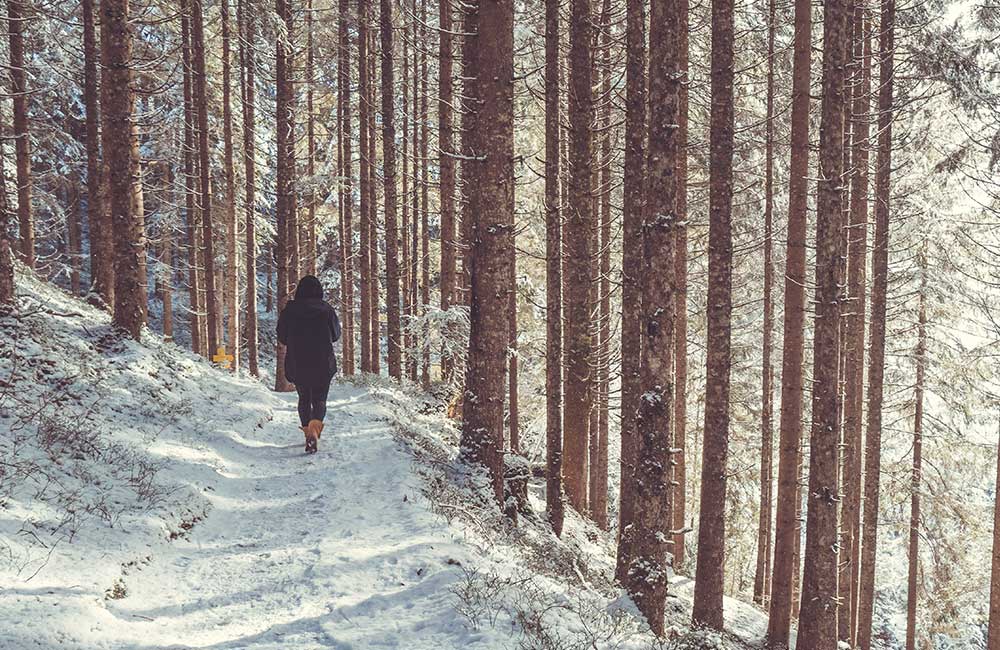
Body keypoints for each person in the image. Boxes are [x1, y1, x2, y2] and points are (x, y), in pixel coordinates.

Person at [277, 275, 341, 453]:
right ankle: (315, 429)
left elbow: (282, 336)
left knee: (304, 398)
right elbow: (336, 335)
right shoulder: (326, 310)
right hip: (323, 361)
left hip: (298, 362)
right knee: (320, 398)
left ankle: (307, 431)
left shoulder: (289, 311)